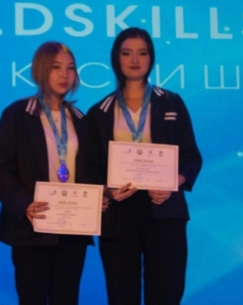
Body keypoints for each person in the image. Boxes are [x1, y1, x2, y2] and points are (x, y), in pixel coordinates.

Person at [85, 27, 202, 305]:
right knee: (121, 294)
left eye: (142, 53)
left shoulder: (172, 103)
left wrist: (173, 182)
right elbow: (90, 168)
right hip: (119, 214)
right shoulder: (99, 111)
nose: (135, 60)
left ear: (151, 58)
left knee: (166, 293)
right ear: (116, 58)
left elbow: (191, 157)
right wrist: (107, 191)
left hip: (164, 209)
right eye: (127, 53)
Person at [0, 42, 93, 305]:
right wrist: (24, 204)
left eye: (70, 68)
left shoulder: (80, 118)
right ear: (40, 70)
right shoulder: (17, 114)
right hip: (33, 224)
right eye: (56, 67)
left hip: (72, 227)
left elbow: (89, 170)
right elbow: (0, 170)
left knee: (66, 298)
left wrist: (97, 197)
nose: (65, 75)